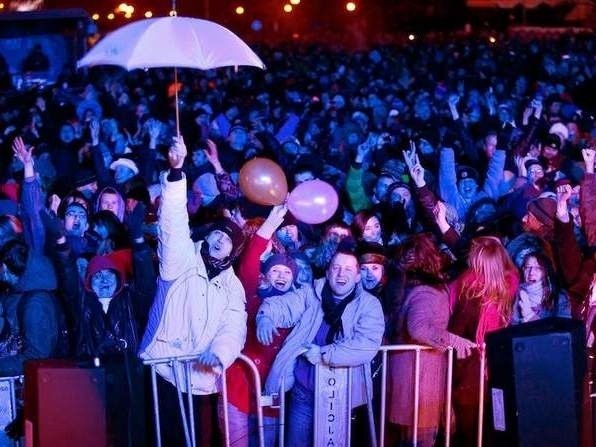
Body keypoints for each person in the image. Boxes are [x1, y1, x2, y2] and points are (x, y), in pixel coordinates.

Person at [139, 135, 247, 446]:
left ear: (232, 252)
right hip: (162, 370)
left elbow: (234, 327)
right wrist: (175, 172)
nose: (219, 241)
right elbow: (172, 222)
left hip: (201, 380)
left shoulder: (232, 286)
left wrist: (216, 358)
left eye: (227, 240)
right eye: (217, 234)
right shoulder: (181, 259)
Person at [256, 245, 385, 446]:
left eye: (348, 269)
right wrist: (265, 317)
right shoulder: (311, 292)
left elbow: (366, 345)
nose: (341, 273)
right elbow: (283, 305)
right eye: (336, 268)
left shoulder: (369, 304)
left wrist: (324, 354)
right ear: (327, 271)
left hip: (342, 395)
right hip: (304, 393)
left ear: (358, 276)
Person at [389, 233, 476, 447]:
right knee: (419, 441)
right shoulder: (427, 291)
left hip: (410, 381)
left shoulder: (408, 288)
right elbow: (418, 328)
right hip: (420, 383)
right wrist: (453, 340)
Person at [449, 236, 519, 447]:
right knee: (494, 432)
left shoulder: (469, 291)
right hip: (498, 372)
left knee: (471, 435)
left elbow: (455, 332)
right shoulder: (511, 287)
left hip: (472, 376)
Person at [510, 251, 571, 324]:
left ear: (546, 272)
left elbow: (562, 330)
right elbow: (512, 327)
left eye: (538, 268)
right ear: (523, 270)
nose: (531, 273)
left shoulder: (559, 297)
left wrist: (529, 315)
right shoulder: (516, 294)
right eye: (528, 267)